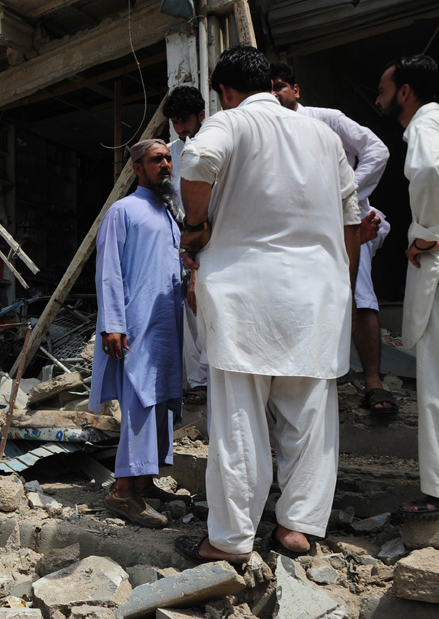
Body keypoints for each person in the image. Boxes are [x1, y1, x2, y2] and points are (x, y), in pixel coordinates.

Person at [175, 46, 361, 563]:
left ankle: (231, 540)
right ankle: (297, 527)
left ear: (226, 91)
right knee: (309, 416)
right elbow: (351, 213)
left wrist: (194, 227)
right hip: (317, 294)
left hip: (246, 293)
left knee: (239, 417)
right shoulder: (324, 136)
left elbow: (196, 160)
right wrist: (341, 280)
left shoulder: (232, 122)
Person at [375, 55, 439, 519]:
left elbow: (431, 171)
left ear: (405, 92)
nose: (378, 97)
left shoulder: (425, 128)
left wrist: (425, 234)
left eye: (383, 89)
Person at [271, 62, 395, 416]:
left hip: (350, 221)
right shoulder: (271, 130)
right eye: (269, 89)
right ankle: (321, 374)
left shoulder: (328, 119)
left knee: (360, 294)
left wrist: (347, 196)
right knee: (307, 297)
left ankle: (373, 380)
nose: (275, 93)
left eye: (281, 86)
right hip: (301, 228)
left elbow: (377, 150)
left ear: (296, 90)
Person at [89, 139, 184, 528]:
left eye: (167, 159)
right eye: (155, 160)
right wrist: (112, 323)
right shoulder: (122, 210)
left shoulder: (170, 214)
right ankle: (123, 493)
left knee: (159, 400)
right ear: (137, 169)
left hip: (166, 325)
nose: (164, 165)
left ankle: (144, 481)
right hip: (136, 324)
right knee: (141, 401)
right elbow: (108, 269)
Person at [163, 85, 209, 405]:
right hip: (184, 241)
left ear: (202, 115)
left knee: (212, 308)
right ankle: (198, 381)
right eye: (176, 122)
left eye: (186, 120)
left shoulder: (217, 144)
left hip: (215, 235)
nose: (182, 129)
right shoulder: (170, 153)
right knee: (188, 311)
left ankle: (217, 376)